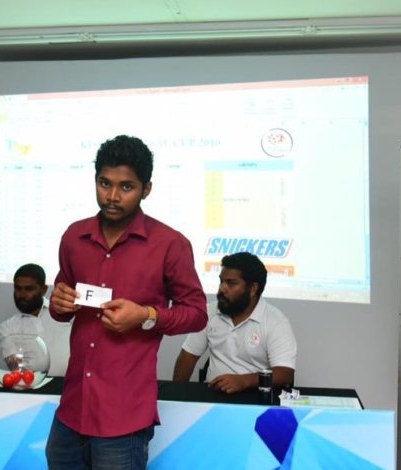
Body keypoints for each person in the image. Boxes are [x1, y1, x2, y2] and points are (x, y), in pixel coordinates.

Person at [46, 134, 207, 468]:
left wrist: (146, 315)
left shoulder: (170, 244)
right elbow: (61, 304)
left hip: (124, 416)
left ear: (146, 189)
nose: (112, 196)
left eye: (126, 187)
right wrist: (58, 303)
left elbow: (197, 314)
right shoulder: (74, 237)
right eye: (105, 183)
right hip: (71, 410)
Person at [173, 251, 297, 393]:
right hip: (214, 395)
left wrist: (244, 381)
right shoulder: (209, 313)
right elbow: (188, 356)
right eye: (221, 281)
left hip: (256, 396)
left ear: (253, 289)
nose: (222, 289)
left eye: (231, 283)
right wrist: (176, 394)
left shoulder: (276, 321)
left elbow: (284, 373)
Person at [0, 263, 71, 377]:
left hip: (69, 383)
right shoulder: (7, 327)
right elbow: (15, 367)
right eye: (18, 288)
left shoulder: (64, 313)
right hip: (30, 384)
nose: (22, 295)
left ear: (44, 290)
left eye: (29, 289)